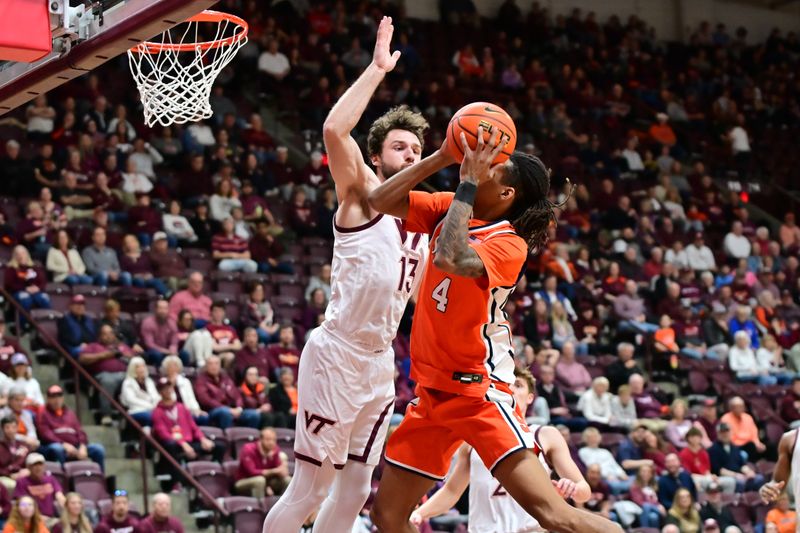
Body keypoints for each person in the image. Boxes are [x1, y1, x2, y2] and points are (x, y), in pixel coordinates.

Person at [367, 54, 620, 533]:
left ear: (506, 196)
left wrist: (463, 183)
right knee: (388, 516)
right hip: (431, 394)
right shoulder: (450, 205)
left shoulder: (510, 243)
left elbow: (449, 259)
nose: (481, 168)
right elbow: (378, 200)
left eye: (494, 171)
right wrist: (443, 154)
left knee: (555, 517)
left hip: (479, 391)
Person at [262, 18, 433, 533]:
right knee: (312, 486)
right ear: (377, 156)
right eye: (400, 148)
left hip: (380, 364)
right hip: (337, 353)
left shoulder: (426, 223)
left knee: (358, 487)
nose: (410, 155)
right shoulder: (360, 195)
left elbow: (427, 301)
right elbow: (335, 130)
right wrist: (377, 70)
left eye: (417, 151)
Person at [410, 368, 591, 532]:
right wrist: (420, 513)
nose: (510, 389)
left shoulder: (544, 435)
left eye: (518, 385)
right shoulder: (472, 440)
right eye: (505, 384)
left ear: (530, 397)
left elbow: (584, 491)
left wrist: (572, 489)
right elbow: (452, 491)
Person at [151, 378, 224, 492]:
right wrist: (182, 444)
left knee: (219, 446)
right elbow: (163, 433)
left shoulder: (181, 407)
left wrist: (202, 439)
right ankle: (177, 483)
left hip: (189, 442)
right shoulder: (157, 412)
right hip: (175, 445)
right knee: (170, 446)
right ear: (159, 392)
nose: (167, 391)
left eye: (169, 388)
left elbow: (193, 427)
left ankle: (211, 477)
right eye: (164, 389)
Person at [36, 385, 105, 470]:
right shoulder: (43, 413)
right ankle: (63, 479)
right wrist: (63, 444)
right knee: (57, 449)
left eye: (59, 396)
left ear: (63, 398)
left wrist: (82, 446)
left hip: (75, 446)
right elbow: (45, 434)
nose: (57, 399)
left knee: (98, 449)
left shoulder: (70, 413)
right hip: (56, 446)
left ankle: (99, 479)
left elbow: (80, 432)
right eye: (53, 396)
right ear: (48, 399)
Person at [77, 325, 131, 425]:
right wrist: (104, 355)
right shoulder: (94, 346)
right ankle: (106, 414)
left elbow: (133, 357)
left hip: (124, 374)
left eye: (111, 333)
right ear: (100, 336)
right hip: (103, 375)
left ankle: (133, 412)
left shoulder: (121, 346)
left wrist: (128, 356)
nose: (109, 336)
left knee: (136, 378)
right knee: (108, 380)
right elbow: (82, 358)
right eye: (105, 334)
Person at [193, 355, 259, 429]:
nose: (213, 366)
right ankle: (227, 438)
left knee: (253, 415)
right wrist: (228, 410)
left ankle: (250, 438)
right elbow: (205, 400)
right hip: (212, 411)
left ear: (220, 365)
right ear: (206, 366)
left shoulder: (226, 377)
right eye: (210, 364)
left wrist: (239, 407)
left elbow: (237, 395)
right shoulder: (201, 380)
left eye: (216, 363)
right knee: (224, 412)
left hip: (232, 409)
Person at [708, 422, 764, 492]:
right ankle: (739, 502)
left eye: (727, 431)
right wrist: (735, 475)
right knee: (739, 483)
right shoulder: (713, 449)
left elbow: (742, 465)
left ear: (730, 432)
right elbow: (718, 470)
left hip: (740, 475)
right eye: (722, 432)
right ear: (718, 434)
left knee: (759, 479)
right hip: (726, 477)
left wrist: (749, 472)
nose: (725, 434)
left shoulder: (734, 447)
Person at [235, 427, 290, 498]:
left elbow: (279, 470)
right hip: (243, 481)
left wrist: (283, 467)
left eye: (274, 440)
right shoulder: (248, 449)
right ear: (260, 440)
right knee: (260, 481)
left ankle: (284, 506)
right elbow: (252, 472)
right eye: (268, 440)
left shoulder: (275, 450)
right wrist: (275, 471)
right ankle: (259, 507)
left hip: (266, 482)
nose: (271, 443)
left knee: (288, 480)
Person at [13, 453, 65, 520]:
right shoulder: (22, 482)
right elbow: (22, 504)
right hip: (31, 519)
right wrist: (37, 517)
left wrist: (65, 507)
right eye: (34, 465)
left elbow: (60, 496)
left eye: (40, 464)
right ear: (28, 467)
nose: (38, 468)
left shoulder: (51, 479)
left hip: (51, 517)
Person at [578, 427, 630, 494]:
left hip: (616, 477)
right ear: (586, 439)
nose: (594, 439)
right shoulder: (583, 451)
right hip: (603, 478)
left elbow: (614, 464)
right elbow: (593, 468)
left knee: (634, 479)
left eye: (595, 436)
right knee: (617, 486)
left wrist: (622, 474)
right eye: (590, 437)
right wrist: (607, 475)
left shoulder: (605, 451)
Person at [3, 245, 51, 314]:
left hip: (35, 292)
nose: (21, 256)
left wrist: (38, 288)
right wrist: (25, 288)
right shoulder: (11, 269)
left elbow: (42, 281)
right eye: (18, 254)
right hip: (18, 292)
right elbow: (9, 284)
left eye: (23, 253)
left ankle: (46, 322)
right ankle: (24, 323)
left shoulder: (34, 267)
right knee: (26, 299)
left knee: (43, 298)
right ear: (14, 256)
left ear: (27, 254)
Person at [119, 357, 159, 427]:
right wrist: (149, 406)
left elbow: (155, 396)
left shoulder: (149, 381)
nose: (141, 369)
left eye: (143, 366)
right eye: (137, 367)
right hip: (136, 410)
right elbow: (131, 400)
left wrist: (156, 405)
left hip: (152, 408)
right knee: (150, 417)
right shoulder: (128, 382)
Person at [139, 300, 181, 368]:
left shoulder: (172, 323)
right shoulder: (148, 323)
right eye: (160, 308)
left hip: (168, 351)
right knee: (157, 355)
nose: (163, 311)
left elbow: (174, 342)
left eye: (165, 308)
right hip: (151, 351)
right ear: (155, 309)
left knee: (184, 354)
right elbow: (149, 344)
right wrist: (165, 351)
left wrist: (172, 350)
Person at [628, 463, 665, 529]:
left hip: (652, 511)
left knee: (653, 516)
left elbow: (656, 500)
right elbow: (639, 502)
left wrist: (659, 505)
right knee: (647, 508)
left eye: (648, 472)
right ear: (639, 473)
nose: (646, 474)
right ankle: (644, 530)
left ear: (651, 474)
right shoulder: (635, 486)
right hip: (640, 511)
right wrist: (657, 507)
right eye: (643, 471)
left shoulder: (653, 486)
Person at [0, 416, 29, 492]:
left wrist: (29, 470)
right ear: (2, 429)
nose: (11, 430)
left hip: (21, 474)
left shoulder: (23, 445)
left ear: (17, 428)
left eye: (14, 427)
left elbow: (28, 462)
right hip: (4, 476)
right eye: (7, 427)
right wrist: (10, 475)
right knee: (13, 485)